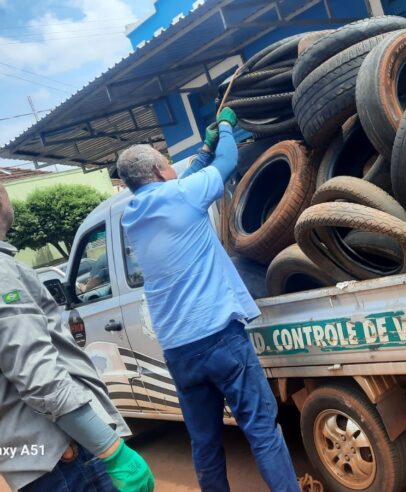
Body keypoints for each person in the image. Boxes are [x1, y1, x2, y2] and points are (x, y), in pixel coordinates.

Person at [118, 108, 302, 492]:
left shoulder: (133, 215)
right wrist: (224, 128)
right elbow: (228, 162)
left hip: (179, 351)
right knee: (262, 430)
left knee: (204, 443)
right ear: (157, 172)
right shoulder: (182, 196)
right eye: (167, 164)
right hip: (220, 339)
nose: (171, 168)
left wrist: (202, 147)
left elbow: (181, 182)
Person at [0, 183, 154, 492]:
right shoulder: (2, 273)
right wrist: (112, 451)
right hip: (63, 459)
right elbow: (37, 374)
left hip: (30, 459)